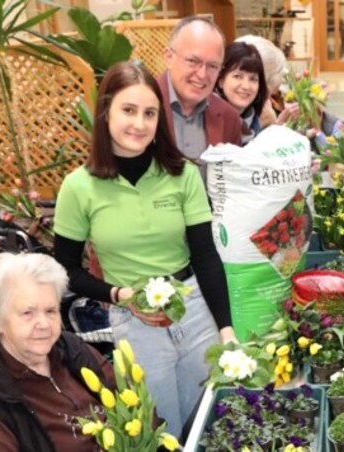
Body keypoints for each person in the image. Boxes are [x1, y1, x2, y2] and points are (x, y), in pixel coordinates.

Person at [53, 61, 235, 437]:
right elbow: (66, 269)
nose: (139, 123)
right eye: (128, 110)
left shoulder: (181, 174)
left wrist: (226, 330)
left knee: (206, 424)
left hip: (195, 313)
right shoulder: (79, 187)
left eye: (150, 113)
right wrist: (119, 295)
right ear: (106, 113)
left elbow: (205, 255)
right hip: (135, 324)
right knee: (161, 429)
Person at [0, 252, 116, 451]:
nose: (43, 324)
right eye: (28, 312)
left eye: (50, 311)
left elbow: (132, 403)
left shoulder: (72, 349)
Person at [159, 16, 242, 170]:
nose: (202, 74)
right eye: (193, 61)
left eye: (212, 66)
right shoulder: (142, 106)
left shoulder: (228, 117)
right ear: (169, 57)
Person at [215, 42, 269, 145]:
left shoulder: (253, 121)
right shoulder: (208, 119)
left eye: (253, 79)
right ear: (220, 80)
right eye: (238, 76)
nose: (246, 86)